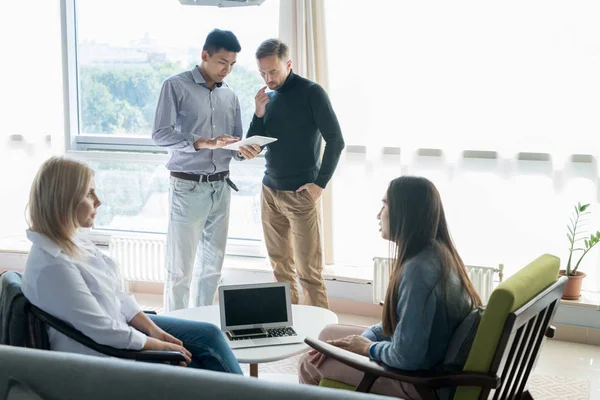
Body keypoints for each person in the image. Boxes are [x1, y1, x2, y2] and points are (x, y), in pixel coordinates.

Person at [21, 156, 243, 375]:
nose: (99, 201)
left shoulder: (72, 240)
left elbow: (116, 295)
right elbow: (106, 332)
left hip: (120, 326)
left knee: (210, 336)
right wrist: (162, 347)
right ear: (63, 200)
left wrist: (155, 331)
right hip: (108, 358)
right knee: (202, 368)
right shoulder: (54, 267)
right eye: (89, 194)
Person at [298, 176, 482, 399]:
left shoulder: (418, 272)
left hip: (421, 383)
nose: (378, 214)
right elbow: (402, 325)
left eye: (385, 205)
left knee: (309, 362)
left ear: (405, 214)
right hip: (428, 362)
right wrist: (366, 339)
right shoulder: (438, 253)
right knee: (327, 335)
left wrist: (367, 349)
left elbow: (407, 357)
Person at [152, 29, 261, 312]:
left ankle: (202, 326)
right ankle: (176, 330)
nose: (227, 70)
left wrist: (244, 151)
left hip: (222, 187)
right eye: (222, 62)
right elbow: (160, 134)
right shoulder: (175, 86)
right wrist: (202, 142)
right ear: (205, 55)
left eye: (233, 65)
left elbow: (233, 144)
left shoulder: (231, 97)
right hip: (187, 187)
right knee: (180, 270)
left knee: (212, 268)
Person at [247, 39, 345, 309]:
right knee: (280, 269)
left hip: (301, 194)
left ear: (288, 65)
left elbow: (336, 141)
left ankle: (319, 341)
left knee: (309, 273)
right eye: (263, 73)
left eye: (273, 72)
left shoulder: (311, 92)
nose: (268, 78)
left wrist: (319, 185)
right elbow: (252, 144)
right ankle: (287, 330)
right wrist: (258, 113)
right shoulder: (267, 97)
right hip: (269, 191)